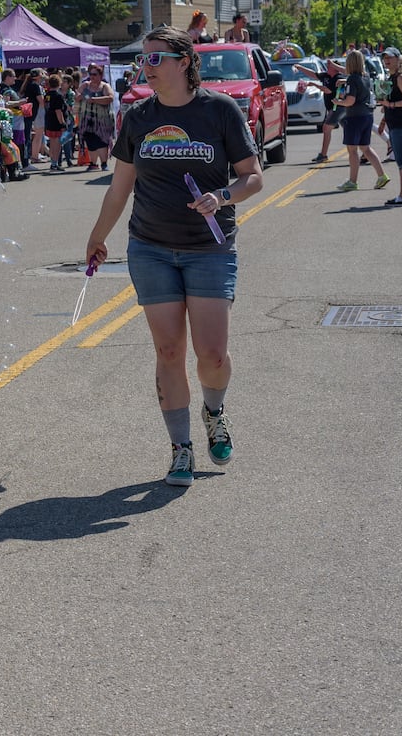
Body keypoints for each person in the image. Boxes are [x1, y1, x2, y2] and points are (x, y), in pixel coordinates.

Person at [85, 24, 264, 488]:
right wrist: (98, 236)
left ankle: (214, 411)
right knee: (168, 350)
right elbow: (119, 186)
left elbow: (253, 177)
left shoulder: (220, 111)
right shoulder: (139, 118)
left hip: (210, 247)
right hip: (150, 248)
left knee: (212, 353)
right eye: (144, 58)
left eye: (156, 58)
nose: (147, 66)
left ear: (184, 62)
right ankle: (180, 448)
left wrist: (222, 195)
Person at [332, 50, 391, 193]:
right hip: (367, 116)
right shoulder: (366, 77)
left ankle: (352, 181)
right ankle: (382, 175)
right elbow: (359, 86)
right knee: (365, 148)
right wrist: (345, 81)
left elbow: (350, 101)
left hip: (354, 118)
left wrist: (338, 102)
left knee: (352, 150)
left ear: (350, 64)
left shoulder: (352, 79)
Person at [378, 52, 402, 206]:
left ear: (398, 60)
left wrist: (392, 105)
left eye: (390, 58)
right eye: (385, 58)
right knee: (401, 162)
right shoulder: (391, 78)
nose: (387, 60)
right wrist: (384, 121)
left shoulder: (401, 77)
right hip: (395, 124)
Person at [75, 63, 117, 171]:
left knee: (102, 140)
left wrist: (94, 100)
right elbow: (77, 96)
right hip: (87, 119)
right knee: (91, 141)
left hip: (102, 120)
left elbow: (110, 98)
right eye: (90, 74)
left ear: (100, 75)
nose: (92, 77)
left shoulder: (104, 86)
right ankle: (93, 163)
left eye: (94, 74)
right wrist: (80, 97)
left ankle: (104, 163)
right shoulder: (85, 85)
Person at [42, 74, 71, 172]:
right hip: (56, 123)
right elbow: (58, 111)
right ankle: (54, 163)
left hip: (49, 121)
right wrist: (62, 123)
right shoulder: (58, 96)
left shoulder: (47, 95)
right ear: (59, 83)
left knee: (52, 142)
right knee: (57, 143)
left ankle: (53, 163)